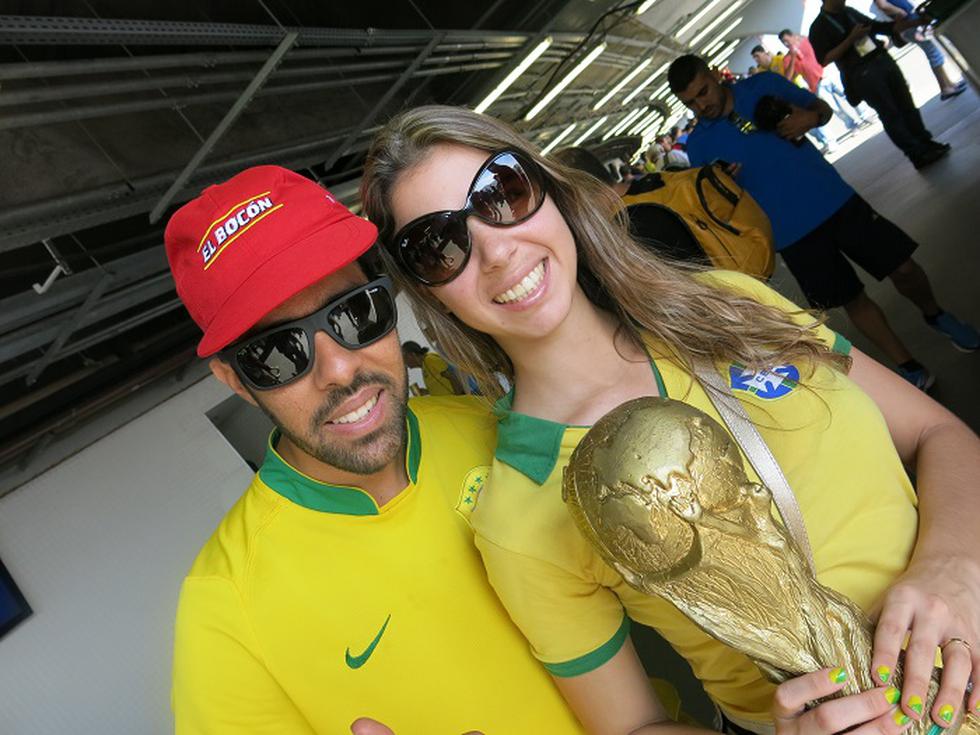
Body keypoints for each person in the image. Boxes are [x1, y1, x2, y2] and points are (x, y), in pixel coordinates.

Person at [360, 104, 980, 735]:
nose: (494, 250)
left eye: (501, 191)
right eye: (438, 246)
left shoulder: (730, 305)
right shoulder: (517, 514)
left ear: (547, 189)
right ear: (428, 292)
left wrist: (953, 565)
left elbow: (940, 433)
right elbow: (632, 726)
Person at [165, 165, 583, 733]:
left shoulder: (498, 428)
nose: (339, 368)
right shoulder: (224, 609)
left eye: (356, 314)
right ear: (236, 380)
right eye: (277, 353)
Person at [666, 54, 979, 388]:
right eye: (691, 103)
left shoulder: (763, 86)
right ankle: (909, 367)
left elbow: (823, 110)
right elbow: (717, 203)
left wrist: (809, 117)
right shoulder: (698, 146)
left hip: (835, 200)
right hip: (789, 235)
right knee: (851, 299)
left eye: (703, 93)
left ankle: (936, 314)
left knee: (903, 267)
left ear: (714, 76)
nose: (701, 106)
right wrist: (726, 184)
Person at [808, 0, 951, 169]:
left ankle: (926, 143)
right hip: (862, 73)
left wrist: (916, 22)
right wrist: (851, 39)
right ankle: (916, 153)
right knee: (891, 114)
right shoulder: (819, 26)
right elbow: (824, 59)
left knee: (907, 105)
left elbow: (878, 27)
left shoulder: (849, 11)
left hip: (881, 60)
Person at [871, 0, 967, 100]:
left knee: (934, 51)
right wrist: (900, 12)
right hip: (909, 22)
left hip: (909, 21)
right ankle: (945, 87)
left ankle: (948, 84)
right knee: (933, 52)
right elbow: (882, 5)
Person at [778, 28, 868, 132]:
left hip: (828, 73)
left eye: (787, 40)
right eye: (783, 42)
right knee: (835, 108)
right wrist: (793, 56)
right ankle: (852, 125)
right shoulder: (787, 59)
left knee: (848, 94)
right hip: (816, 84)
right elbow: (788, 78)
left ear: (793, 36)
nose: (786, 43)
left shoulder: (808, 41)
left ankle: (864, 115)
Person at [401, 339, 465, 394]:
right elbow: (442, 385)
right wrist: (427, 391)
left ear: (413, 354)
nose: (404, 362)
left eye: (404, 357)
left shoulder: (430, 360)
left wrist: (460, 398)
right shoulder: (425, 365)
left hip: (456, 402)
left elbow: (452, 376)